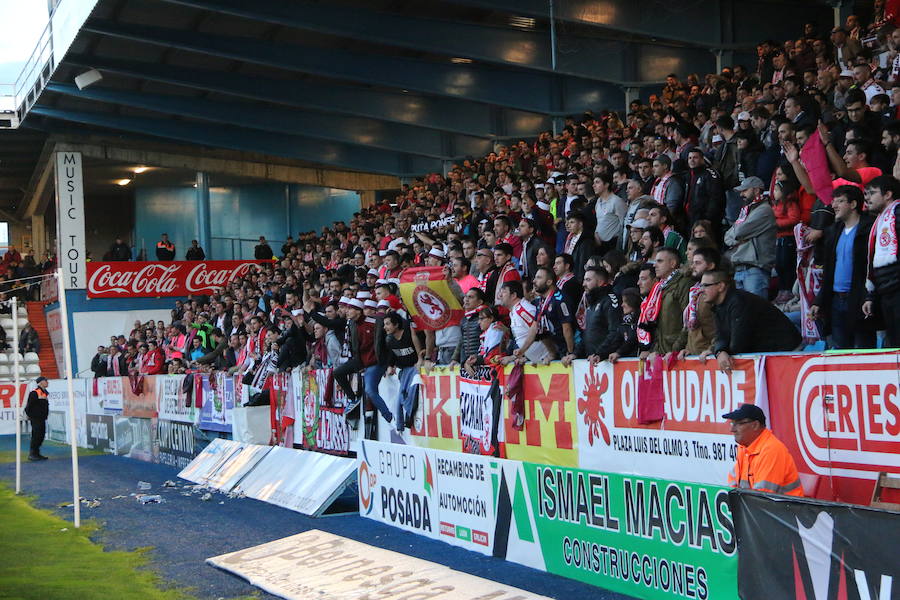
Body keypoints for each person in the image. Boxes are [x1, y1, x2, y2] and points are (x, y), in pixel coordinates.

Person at [811, 186, 876, 348]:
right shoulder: (833, 232)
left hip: (860, 300)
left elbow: (871, 267)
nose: (834, 205)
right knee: (840, 353)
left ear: (853, 204)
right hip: (836, 301)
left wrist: (869, 297)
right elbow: (828, 271)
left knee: (864, 351)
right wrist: (819, 300)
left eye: (840, 201)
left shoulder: (869, 229)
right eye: (833, 201)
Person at [700, 270, 801, 372]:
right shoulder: (718, 306)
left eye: (705, 285)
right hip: (770, 356)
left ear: (721, 286)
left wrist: (719, 352)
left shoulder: (739, 302)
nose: (701, 290)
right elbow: (721, 335)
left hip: (788, 354)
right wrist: (719, 351)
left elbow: (738, 344)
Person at [723, 403, 803, 497]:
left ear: (755, 425)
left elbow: (763, 496)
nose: (732, 429)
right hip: (760, 508)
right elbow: (733, 479)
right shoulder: (744, 448)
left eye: (739, 423)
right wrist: (732, 498)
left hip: (785, 509)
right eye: (732, 423)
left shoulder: (771, 450)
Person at [863, 175, 900, 346]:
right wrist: (871, 295)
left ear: (888, 195)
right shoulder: (879, 220)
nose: (867, 198)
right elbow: (875, 260)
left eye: (872, 193)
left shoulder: (896, 214)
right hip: (886, 291)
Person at [725, 176, 776, 298]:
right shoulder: (747, 212)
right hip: (740, 269)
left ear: (756, 190)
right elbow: (727, 237)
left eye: (745, 190)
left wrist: (738, 236)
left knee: (756, 314)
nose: (741, 194)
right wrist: (739, 237)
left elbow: (738, 232)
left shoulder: (764, 210)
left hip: (755, 270)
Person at [24, 376, 50, 461]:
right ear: (40, 383)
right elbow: (28, 406)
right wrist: (31, 416)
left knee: (41, 435)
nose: (47, 382)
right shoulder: (35, 393)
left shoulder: (45, 392)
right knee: (36, 435)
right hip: (36, 418)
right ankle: (32, 454)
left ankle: (37, 453)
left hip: (42, 418)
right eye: (45, 381)